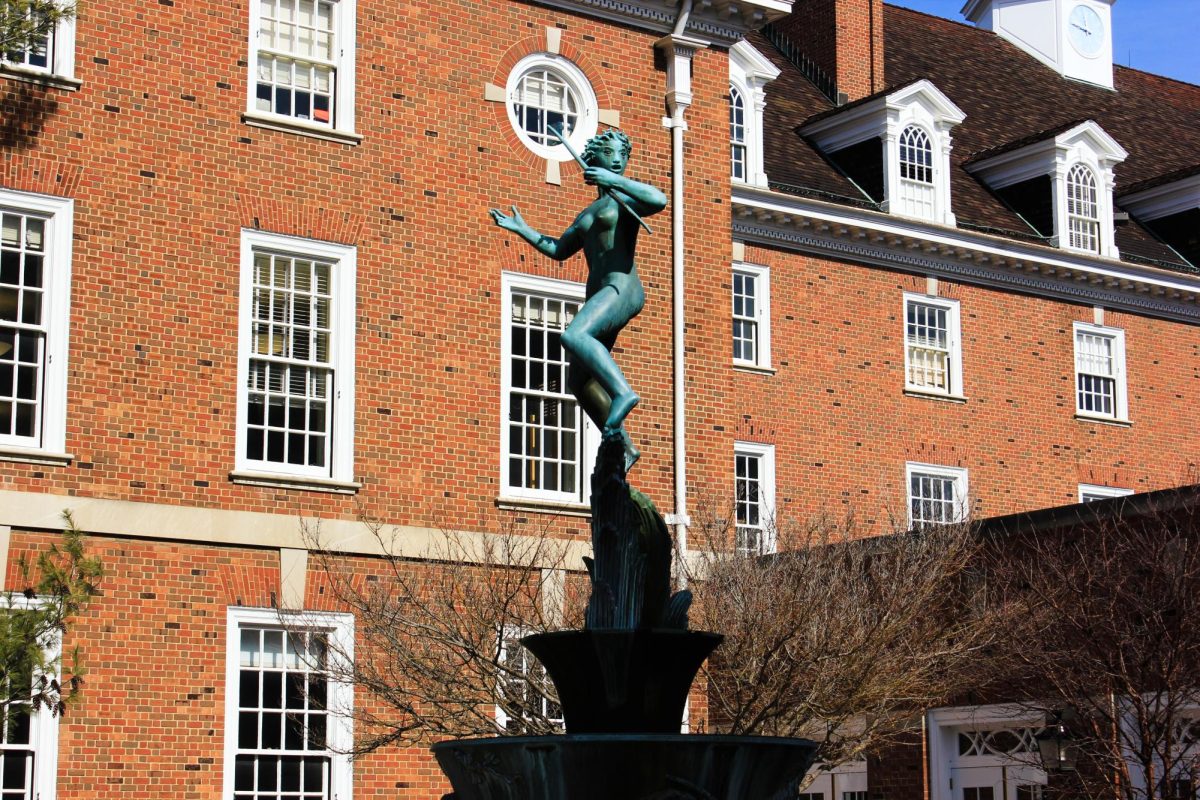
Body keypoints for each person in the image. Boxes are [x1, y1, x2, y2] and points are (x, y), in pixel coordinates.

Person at [490, 129, 667, 470]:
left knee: (574, 335)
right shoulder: (589, 211)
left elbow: (658, 200)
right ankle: (625, 447)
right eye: (610, 153)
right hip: (599, 292)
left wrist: (616, 181)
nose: (618, 159)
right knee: (579, 383)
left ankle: (622, 393)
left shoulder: (624, 199)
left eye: (622, 155)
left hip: (621, 288)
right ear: (593, 157)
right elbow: (558, 250)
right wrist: (522, 229)